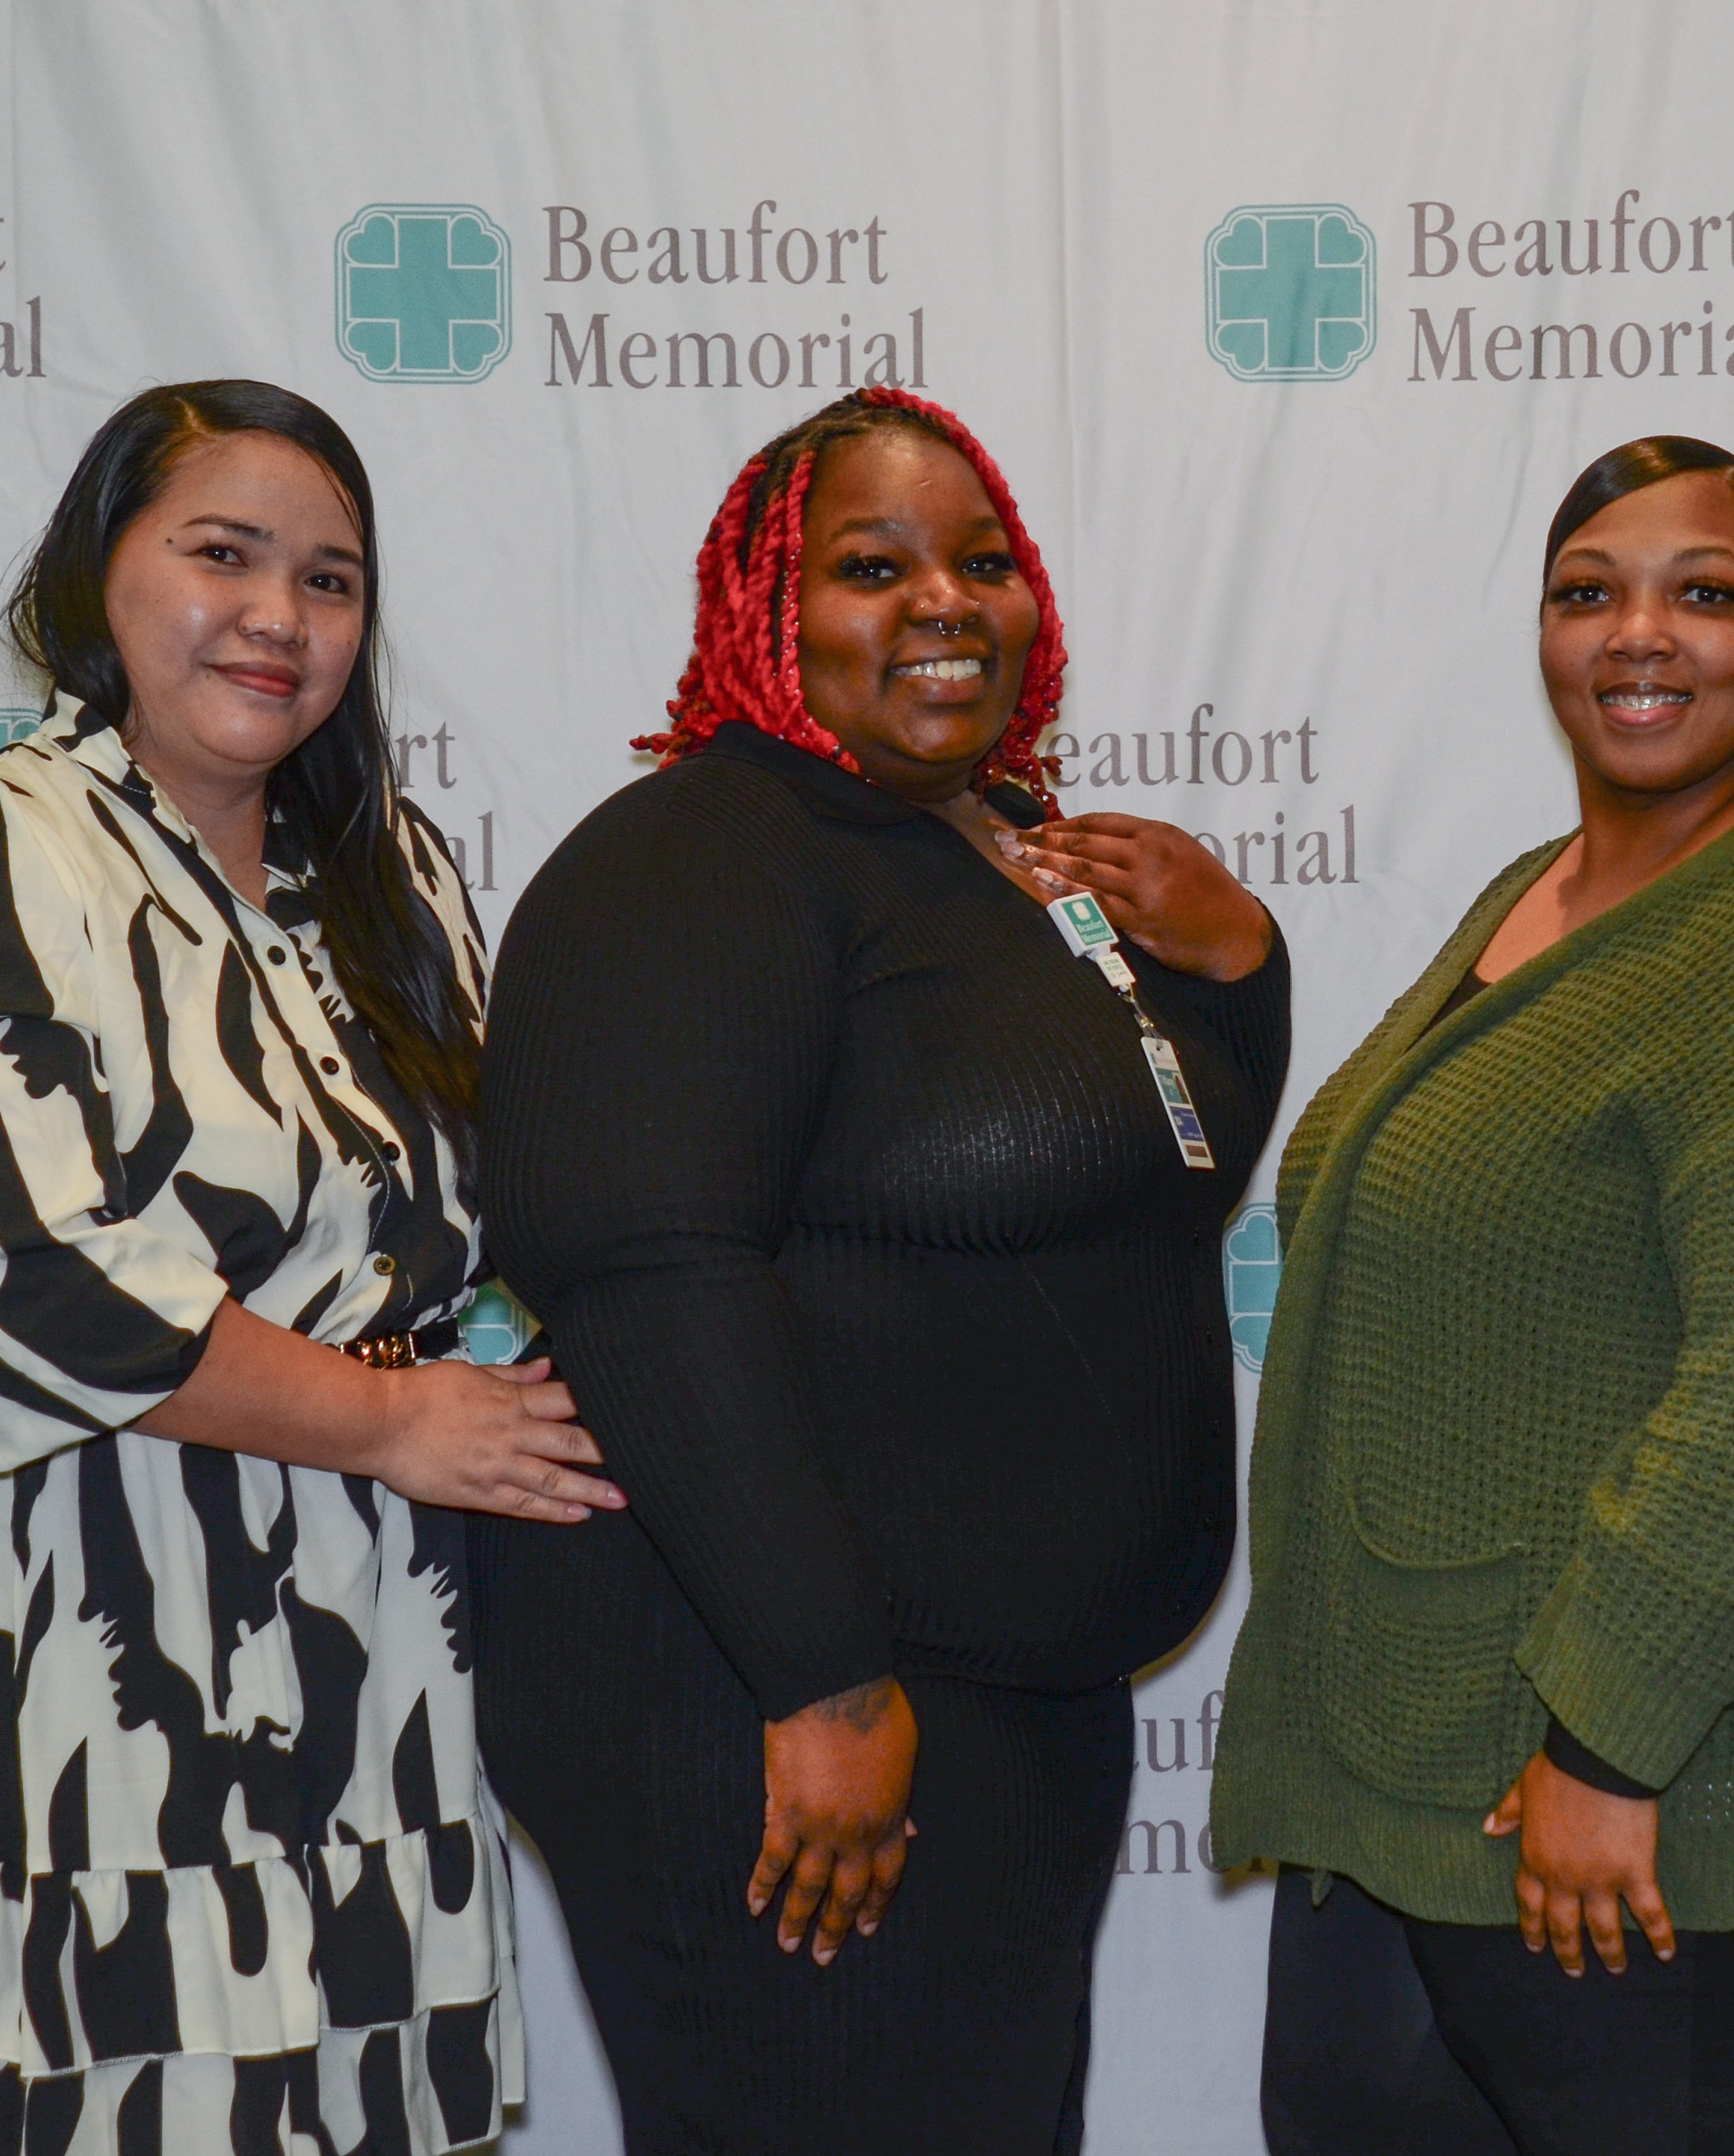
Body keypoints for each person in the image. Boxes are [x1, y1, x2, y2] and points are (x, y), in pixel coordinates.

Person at [0, 380, 618, 2156]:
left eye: (330, 581)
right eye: (222, 555)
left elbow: (488, 1211)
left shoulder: (384, 869)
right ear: (105, 575)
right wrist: (391, 1425)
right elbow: (13, 1264)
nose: (279, 616)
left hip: (376, 1643)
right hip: (90, 1637)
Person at [470, 388, 1288, 2155]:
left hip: (994, 1711)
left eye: (983, 561)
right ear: (767, 608)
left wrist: (1239, 968)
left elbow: (1149, 1180)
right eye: (873, 565)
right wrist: (821, 1686)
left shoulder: (1009, 854)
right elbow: (646, 1271)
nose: (945, 601)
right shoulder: (693, 861)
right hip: (761, 1713)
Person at [1210, 437, 1734, 2156]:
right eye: (1589, 594)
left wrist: (1611, 1744)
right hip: (1419, 1778)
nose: (1640, 635)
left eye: (1703, 594)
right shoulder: (1538, 897)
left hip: (1641, 1810)